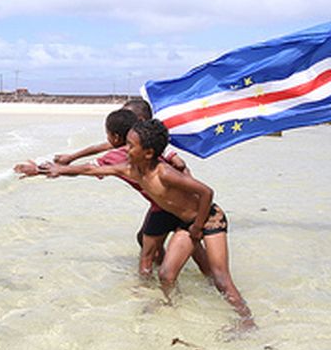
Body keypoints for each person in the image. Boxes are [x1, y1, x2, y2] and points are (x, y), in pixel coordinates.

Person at [44, 118, 255, 328]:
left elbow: (206, 192)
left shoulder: (163, 173)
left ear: (148, 153)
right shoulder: (130, 169)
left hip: (209, 218)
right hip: (187, 223)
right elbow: (90, 170)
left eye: (131, 146)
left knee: (220, 277)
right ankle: (173, 306)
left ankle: (246, 321)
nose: (126, 149)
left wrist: (198, 227)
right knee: (165, 274)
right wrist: (58, 170)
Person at [13, 106, 209, 276]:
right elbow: (100, 149)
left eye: (108, 134)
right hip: (176, 203)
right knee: (174, 244)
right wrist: (70, 158)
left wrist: (42, 169)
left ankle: (153, 284)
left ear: (117, 137)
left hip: (164, 206)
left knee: (151, 251)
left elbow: (88, 168)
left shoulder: (121, 156)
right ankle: (193, 275)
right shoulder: (148, 147)